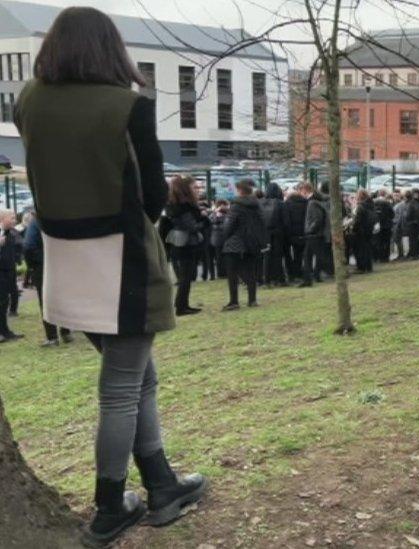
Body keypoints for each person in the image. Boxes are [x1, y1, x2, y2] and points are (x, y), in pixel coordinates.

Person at [13, 8, 206, 545]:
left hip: (63, 260)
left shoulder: (29, 100)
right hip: (122, 262)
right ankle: (109, 505)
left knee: (137, 379)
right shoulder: (129, 106)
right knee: (123, 388)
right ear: (110, 50)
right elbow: (150, 196)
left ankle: (163, 484)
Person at [22, 213, 73, 347]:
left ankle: (52, 337)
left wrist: (34, 265)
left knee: (46, 301)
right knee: (62, 299)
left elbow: (28, 246)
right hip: (60, 264)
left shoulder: (36, 222)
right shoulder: (60, 219)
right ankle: (66, 331)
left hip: (43, 266)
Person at [221, 180, 268, 311]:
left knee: (232, 273)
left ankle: (234, 301)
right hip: (252, 243)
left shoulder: (236, 205)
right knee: (250, 272)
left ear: (240, 190)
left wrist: (225, 237)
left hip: (235, 243)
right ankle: (252, 300)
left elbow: (229, 226)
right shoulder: (257, 205)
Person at [165, 175, 206, 316]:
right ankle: (182, 306)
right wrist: (204, 221)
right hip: (186, 243)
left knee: (184, 276)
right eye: (195, 187)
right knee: (186, 277)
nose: (197, 190)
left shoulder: (173, 204)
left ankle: (181, 304)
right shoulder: (183, 206)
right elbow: (192, 226)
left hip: (178, 242)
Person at [297, 182, 333, 286]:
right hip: (318, 234)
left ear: (304, 190)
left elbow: (317, 219)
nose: (300, 194)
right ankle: (313, 277)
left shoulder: (312, 202)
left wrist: (310, 230)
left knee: (311, 257)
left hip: (313, 234)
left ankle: (308, 279)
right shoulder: (319, 199)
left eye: (300, 191)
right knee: (312, 256)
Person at [0, 209, 23, 342]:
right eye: (12, 218)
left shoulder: (11, 232)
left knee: (4, 301)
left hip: (8, 271)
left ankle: (5, 331)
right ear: (2, 218)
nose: (15, 220)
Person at [258, 183, 288, 287]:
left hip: (263, 233)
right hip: (278, 233)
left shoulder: (259, 203)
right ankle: (279, 279)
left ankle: (266, 279)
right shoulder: (281, 203)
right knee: (277, 256)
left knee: (266, 256)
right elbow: (286, 221)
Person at [283, 185, 309, 281]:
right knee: (299, 254)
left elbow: (286, 220)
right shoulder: (305, 203)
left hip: (290, 233)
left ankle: (291, 273)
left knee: (289, 254)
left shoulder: (287, 204)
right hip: (302, 232)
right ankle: (298, 272)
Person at [351, 189, 376, 273]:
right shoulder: (371, 205)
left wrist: (353, 228)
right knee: (368, 249)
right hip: (369, 230)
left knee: (360, 250)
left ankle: (361, 267)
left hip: (360, 231)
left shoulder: (361, 206)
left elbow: (357, 220)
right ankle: (369, 267)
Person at [372, 189, 395, 263]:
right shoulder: (387, 203)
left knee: (378, 241)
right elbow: (392, 214)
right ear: (385, 194)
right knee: (386, 242)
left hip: (377, 225)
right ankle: (385, 257)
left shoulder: (373, 202)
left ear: (378, 194)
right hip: (387, 226)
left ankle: (377, 257)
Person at [404, 190, 419, 260]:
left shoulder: (416, 203)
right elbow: (408, 215)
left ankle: (415, 253)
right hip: (413, 224)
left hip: (416, 224)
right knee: (413, 240)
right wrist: (414, 221)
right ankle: (414, 254)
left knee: (415, 240)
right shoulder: (413, 204)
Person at [391, 191, 407, 260]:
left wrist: (398, 224)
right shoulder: (394, 204)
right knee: (397, 239)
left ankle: (401, 254)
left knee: (397, 239)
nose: (395, 197)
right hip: (395, 223)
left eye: (397, 195)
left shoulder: (401, 205)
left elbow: (401, 216)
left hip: (397, 224)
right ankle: (400, 254)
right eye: (394, 195)